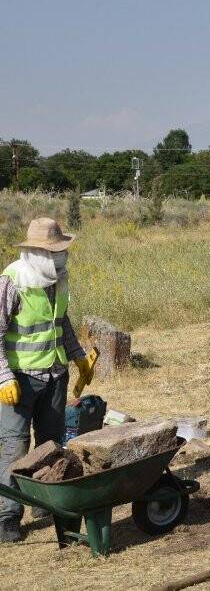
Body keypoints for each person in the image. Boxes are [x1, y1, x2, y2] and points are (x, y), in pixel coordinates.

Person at [0, 218, 98, 543]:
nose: (60, 258)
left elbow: (61, 322)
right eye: (54, 253)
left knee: (49, 444)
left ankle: (45, 503)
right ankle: (8, 517)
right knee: (14, 446)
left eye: (62, 252)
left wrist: (79, 356)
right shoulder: (13, 280)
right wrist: (3, 377)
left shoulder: (57, 279)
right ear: (36, 252)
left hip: (55, 375)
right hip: (19, 379)